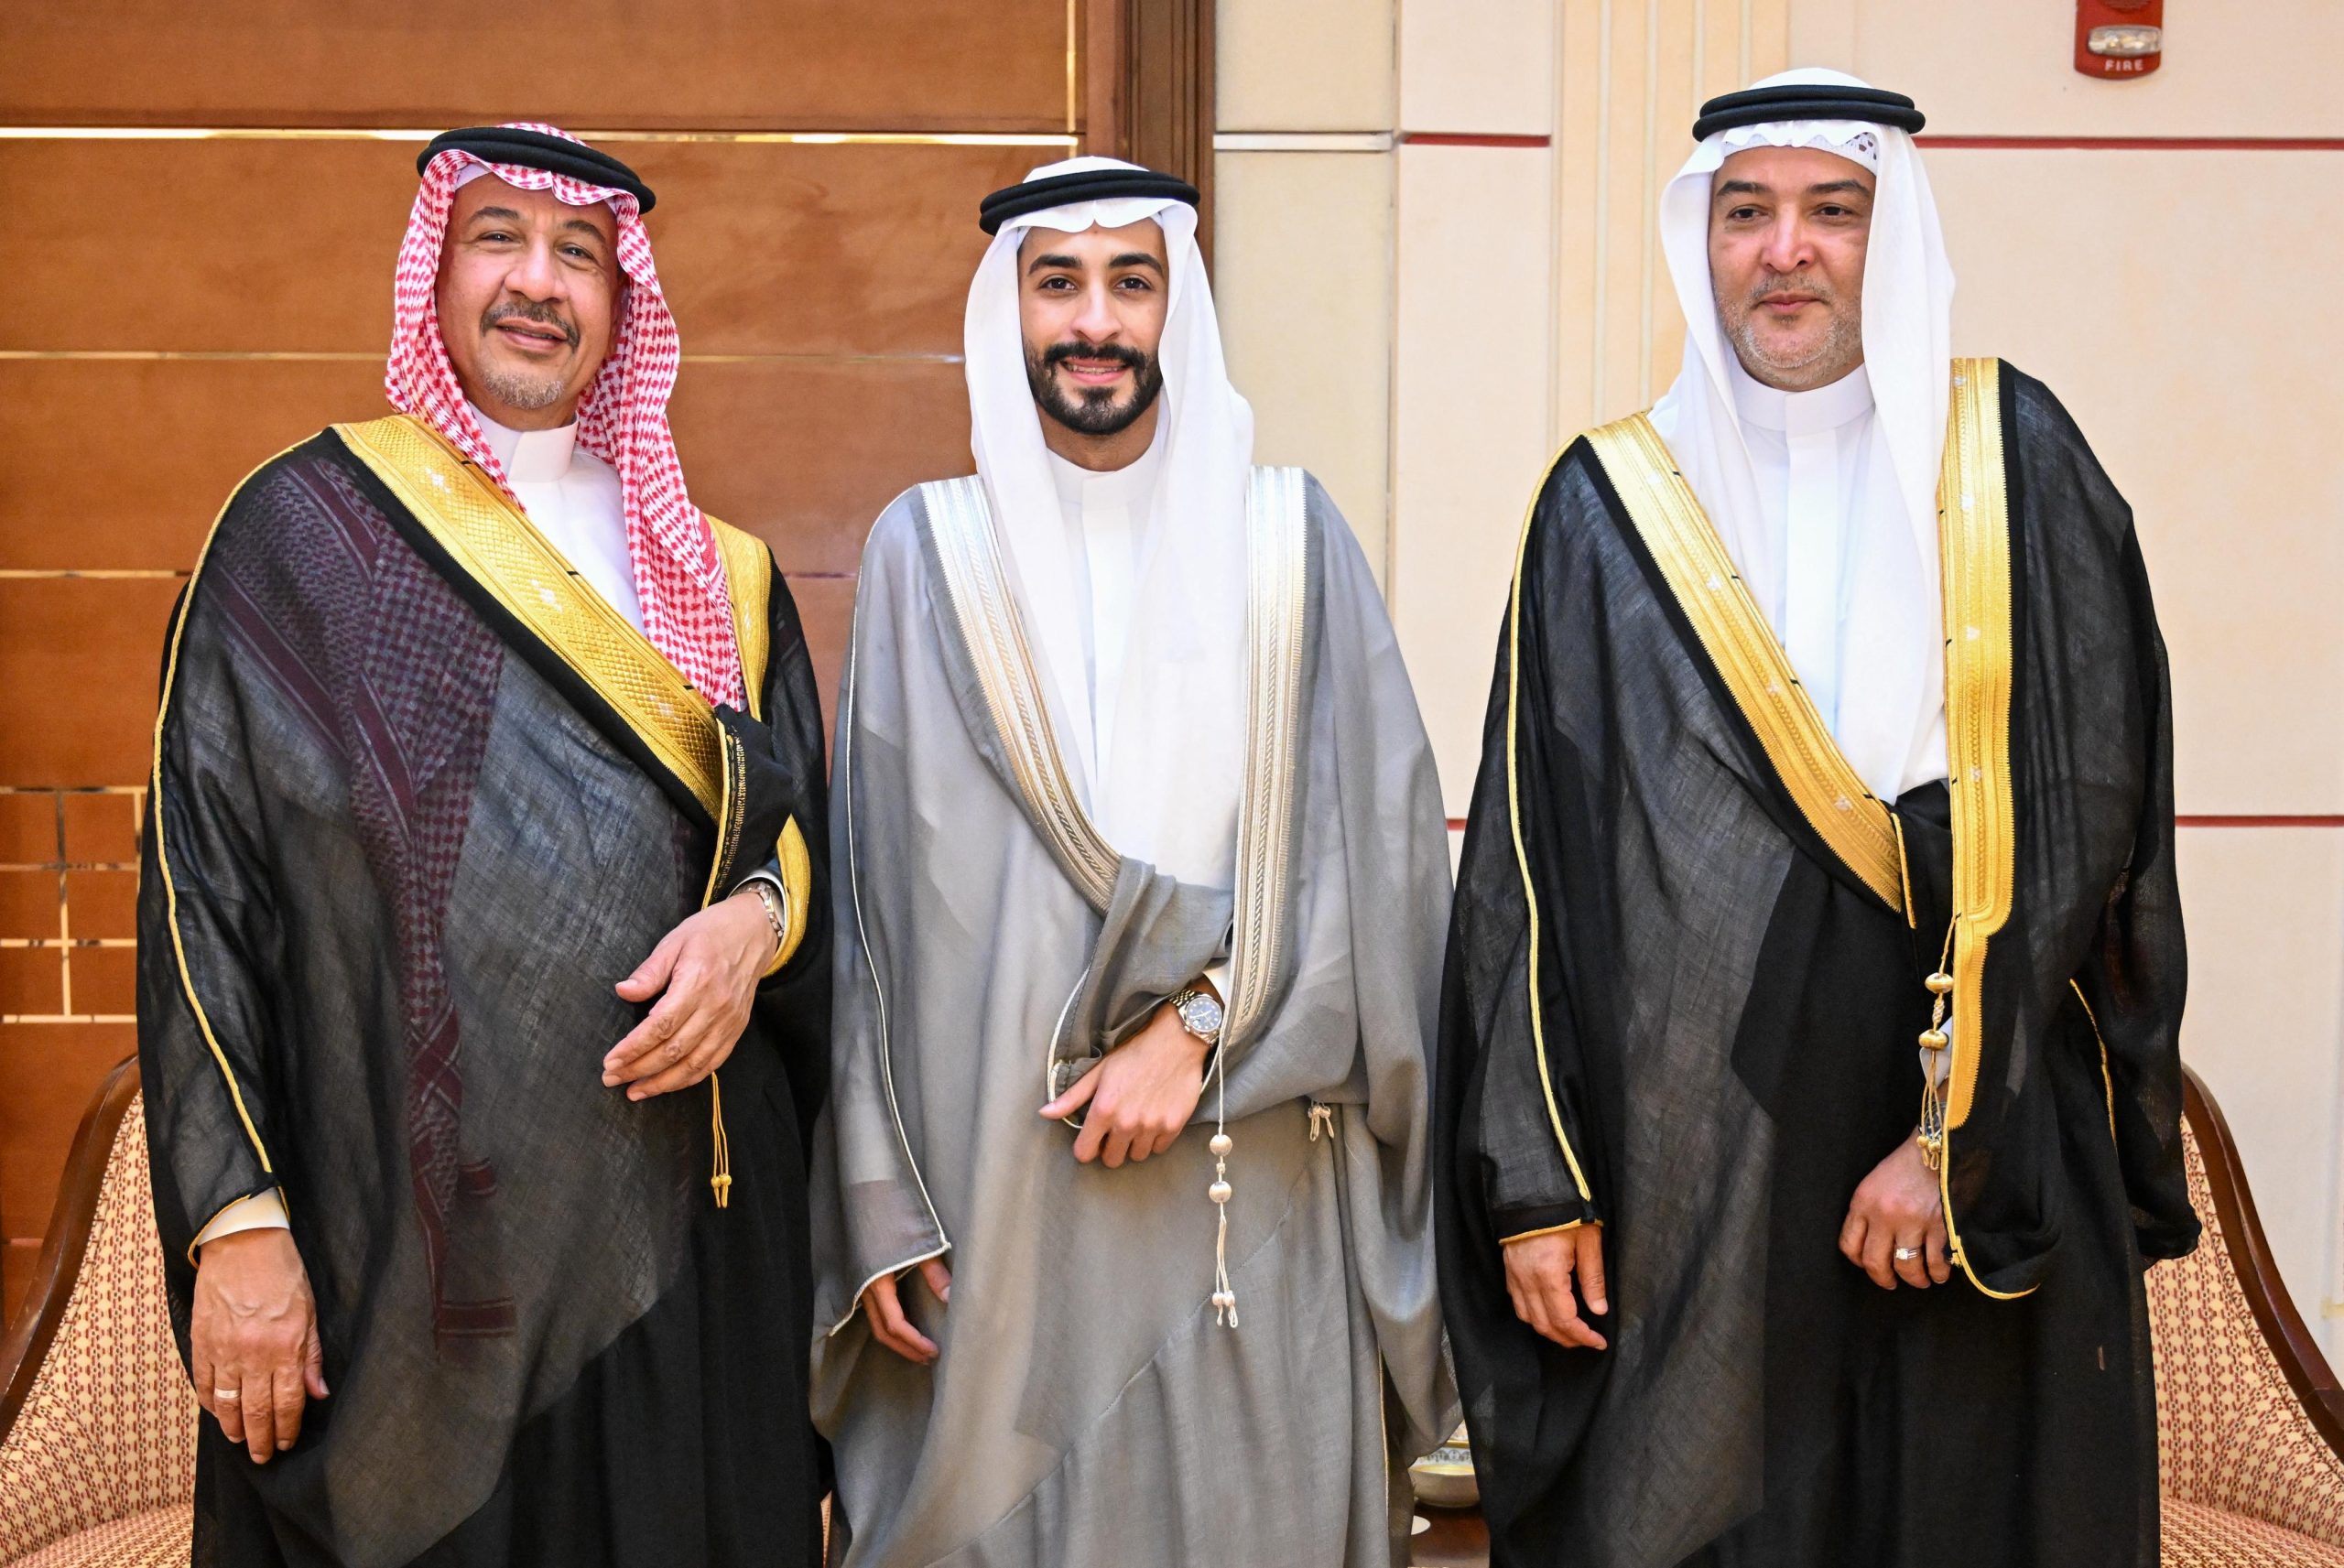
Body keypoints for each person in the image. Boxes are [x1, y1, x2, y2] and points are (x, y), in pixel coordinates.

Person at [1435, 70, 2198, 1567]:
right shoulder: (1607, 503)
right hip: (1705, 1161)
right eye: (1747, 213)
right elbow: (1527, 861)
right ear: (1702, 240)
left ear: (1887, 233)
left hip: (1983, 1127)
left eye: (1832, 210)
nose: (1786, 250)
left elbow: (2086, 820)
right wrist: (1538, 1183)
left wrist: (1948, 1138)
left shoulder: (2014, 453)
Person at [137, 123, 831, 1567]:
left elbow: (796, 837)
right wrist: (235, 1219)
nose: (538, 281)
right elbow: (204, 890)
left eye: (578, 251)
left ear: (622, 300)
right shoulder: (304, 539)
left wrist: (754, 928)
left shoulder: (725, 574)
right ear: (433, 271)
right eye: (496, 237)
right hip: (413, 1258)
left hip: (684, 1261)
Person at [808, 156, 1456, 1565]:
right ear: (1011, 310)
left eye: (1131, 282)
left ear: (1179, 308)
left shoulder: (1289, 544)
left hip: (1250, 1187)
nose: (1094, 320)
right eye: (1059, 283)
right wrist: (879, 1202)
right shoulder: (926, 553)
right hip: (994, 1213)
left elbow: (1387, 878)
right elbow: (864, 915)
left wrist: (1205, 1025)